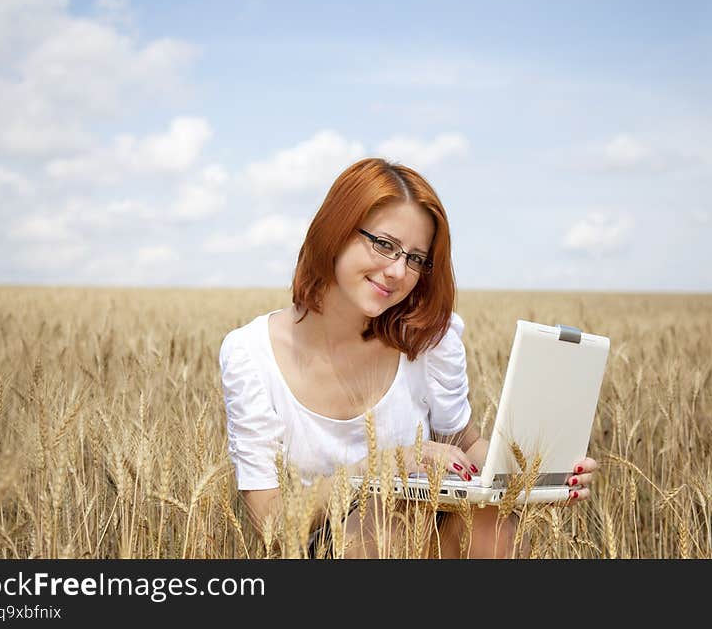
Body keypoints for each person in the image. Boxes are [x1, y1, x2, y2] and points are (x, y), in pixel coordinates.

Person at [219, 157, 598, 558]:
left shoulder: (428, 339)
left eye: (416, 258)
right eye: (384, 245)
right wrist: (379, 468)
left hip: (427, 535)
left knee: (491, 522)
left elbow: (464, 444)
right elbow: (270, 522)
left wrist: (531, 478)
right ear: (336, 230)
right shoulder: (250, 353)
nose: (399, 271)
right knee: (379, 523)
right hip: (334, 548)